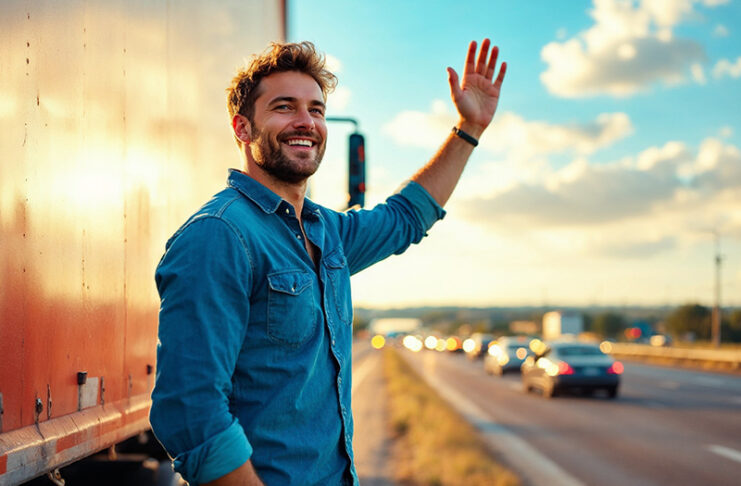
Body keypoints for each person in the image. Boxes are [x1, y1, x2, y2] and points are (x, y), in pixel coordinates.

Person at [150, 39, 506, 486]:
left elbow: (406, 217)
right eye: (285, 107)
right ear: (242, 128)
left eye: (316, 110)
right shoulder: (219, 234)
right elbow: (188, 408)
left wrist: (468, 129)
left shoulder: (325, 231)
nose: (306, 122)